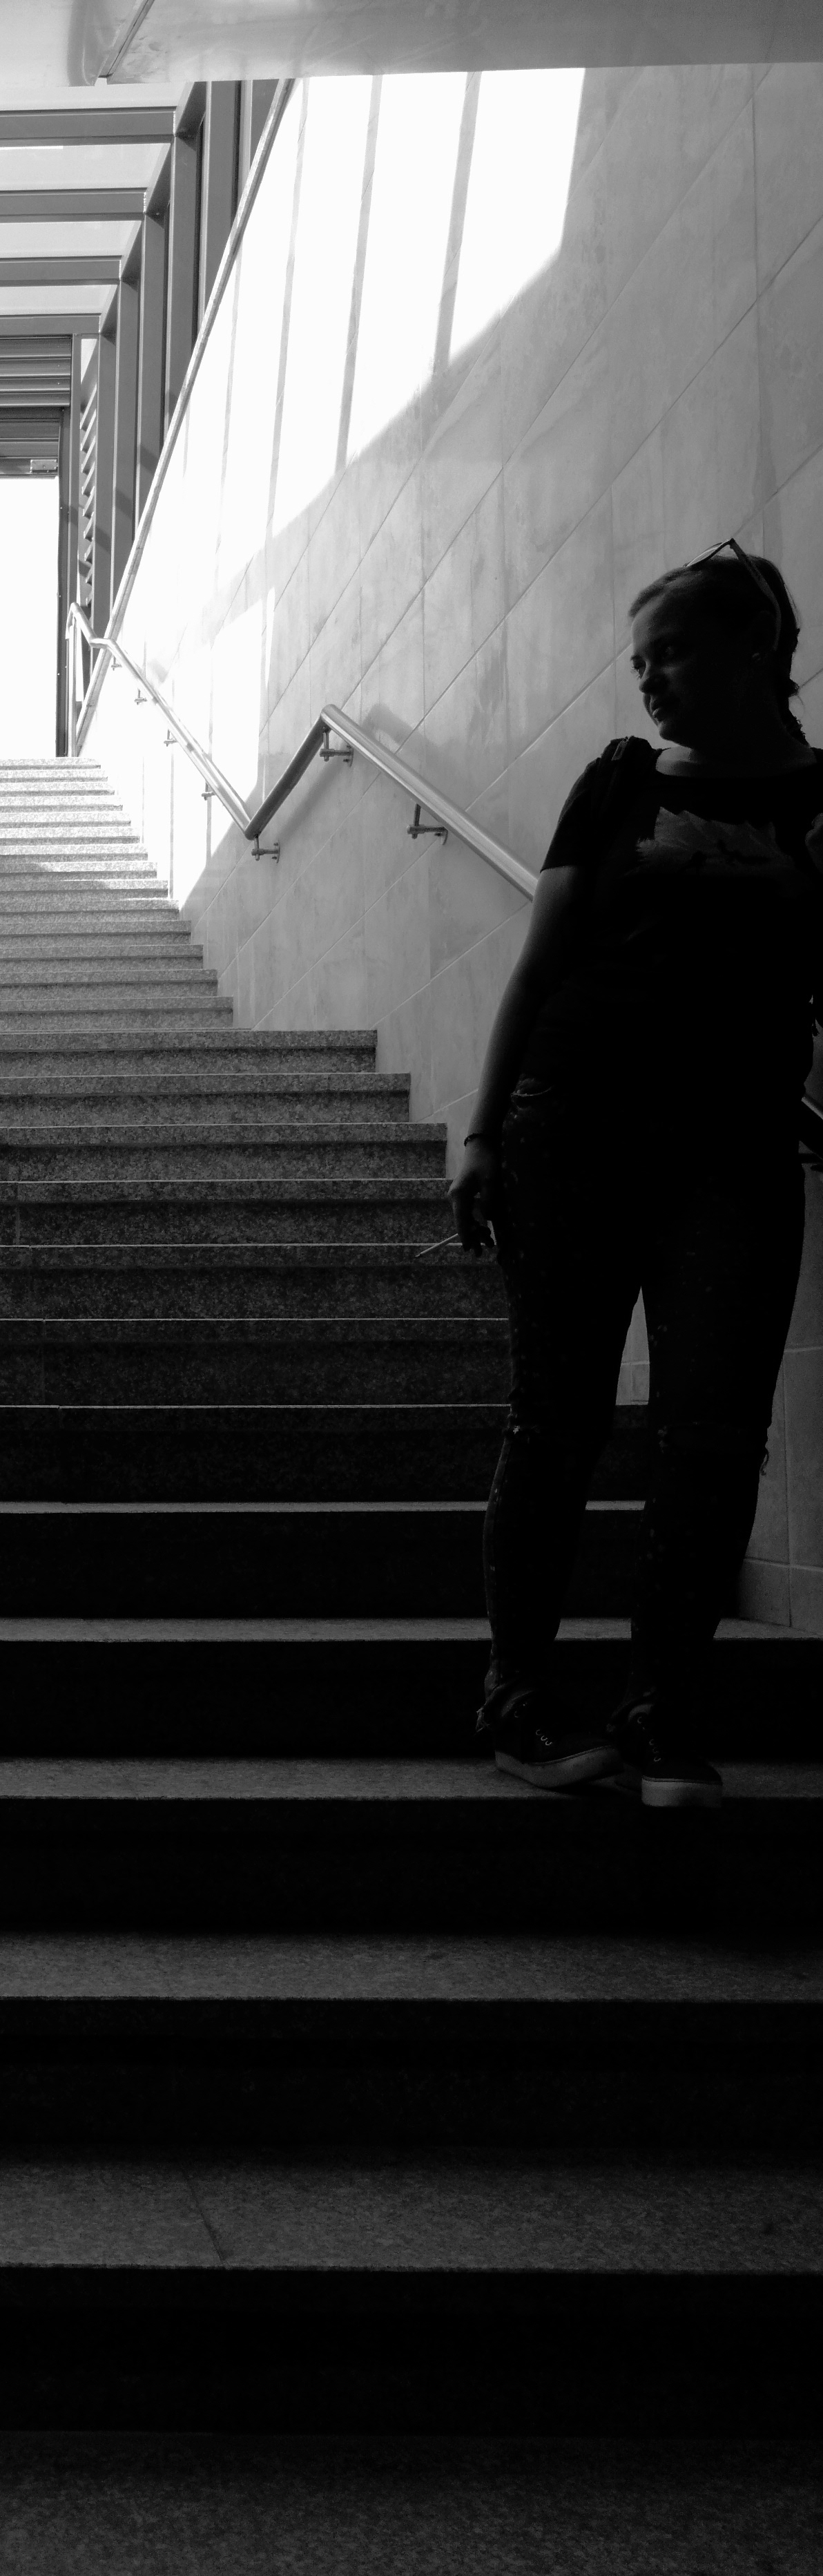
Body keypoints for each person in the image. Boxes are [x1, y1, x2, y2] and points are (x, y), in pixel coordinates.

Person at [449, 539, 822, 1809]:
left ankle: (663, 1712)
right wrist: (483, 1132)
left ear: (758, 648)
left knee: (714, 1432)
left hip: (738, 1141)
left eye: (672, 653)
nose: (648, 679)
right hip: (573, 1124)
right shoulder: (616, 783)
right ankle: (516, 1698)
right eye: (640, 661)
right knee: (556, 1419)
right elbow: (541, 962)